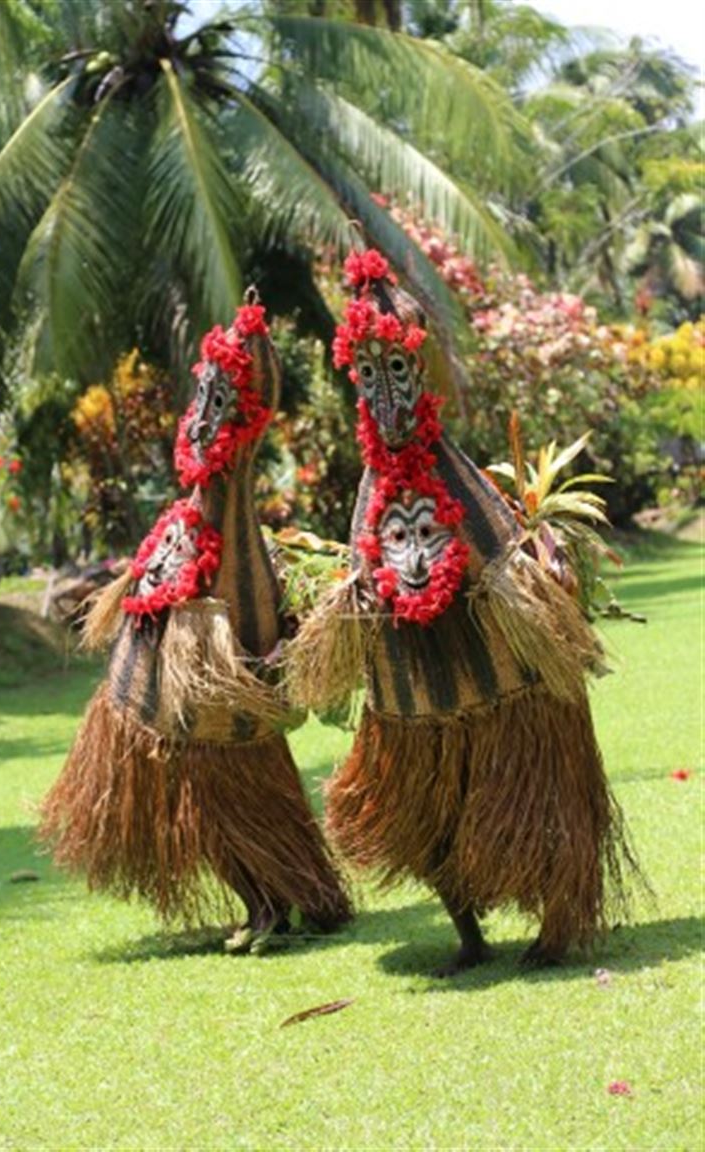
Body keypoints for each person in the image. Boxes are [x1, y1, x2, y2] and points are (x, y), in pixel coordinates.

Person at [289, 248, 638, 974]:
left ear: (419, 374)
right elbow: (364, 581)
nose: (385, 398)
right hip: (413, 707)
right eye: (368, 379)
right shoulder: (369, 498)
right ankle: (470, 934)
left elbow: (509, 567)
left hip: (507, 697)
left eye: (396, 374)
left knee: (536, 808)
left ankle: (558, 922)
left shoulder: (463, 482)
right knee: (424, 819)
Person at [40, 296, 351, 953]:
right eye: (202, 398)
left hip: (222, 712)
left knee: (233, 783)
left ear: (245, 416)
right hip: (168, 704)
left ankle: (282, 898)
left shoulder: (239, 541)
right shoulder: (188, 521)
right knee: (205, 785)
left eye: (219, 401)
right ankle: (280, 896)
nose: (202, 416)